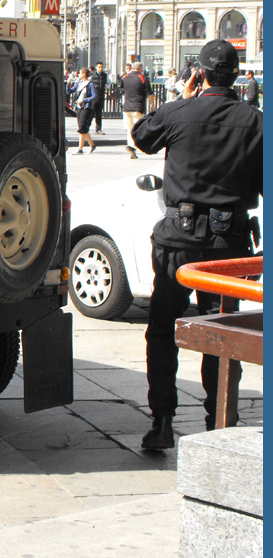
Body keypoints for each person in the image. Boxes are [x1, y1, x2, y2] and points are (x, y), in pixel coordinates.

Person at [131, 39, 263, 449]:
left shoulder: (179, 111)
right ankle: (219, 419)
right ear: (237, 75)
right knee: (221, 333)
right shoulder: (256, 121)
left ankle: (163, 422)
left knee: (162, 330)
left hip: (179, 242)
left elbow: (141, 136)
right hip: (229, 245)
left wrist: (180, 99)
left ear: (199, 74)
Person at [121, 61, 153, 159]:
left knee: (130, 129)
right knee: (139, 128)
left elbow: (121, 89)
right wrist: (153, 105)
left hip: (126, 107)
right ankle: (134, 146)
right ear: (140, 69)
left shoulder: (125, 77)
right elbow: (149, 93)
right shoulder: (142, 78)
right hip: (138, 107)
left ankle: (131, 146)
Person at [72, 68, 97, 154]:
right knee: (82, 128)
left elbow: (94, 96)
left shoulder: (90, 84)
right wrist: (68, 84)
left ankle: (80, 149)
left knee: (82, 127)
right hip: (79, 107)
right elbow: (70, 91)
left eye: (80, 73)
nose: (78, 74)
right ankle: (92, 145)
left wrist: (84, 100)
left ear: (84, 74)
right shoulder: (79, 83)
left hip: (86, 108)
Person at [91, 62, 108, 134]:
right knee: (91, 113)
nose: (101, 68)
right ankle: (86, 127)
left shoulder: (104, 75)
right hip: (94, 96)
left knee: (99, 113)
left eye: (102, 67)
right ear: (96, 67)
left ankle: (98, 129)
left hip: (101, 96)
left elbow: (108, 83)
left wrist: (106, 88)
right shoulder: (92, 74)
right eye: (99, 67)